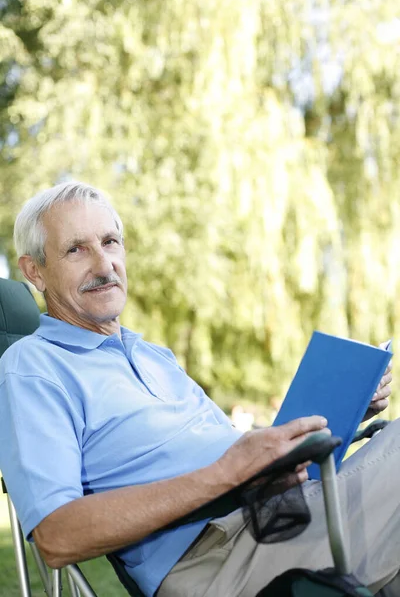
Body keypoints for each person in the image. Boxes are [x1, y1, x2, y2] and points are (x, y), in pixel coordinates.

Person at [0, 181, 397, 597]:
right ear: (34, 271)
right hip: (221, 557)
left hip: (282, 513)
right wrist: (227, 474)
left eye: (110, 242)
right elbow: (57, 535)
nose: (104, 265)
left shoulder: (155, 356)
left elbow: (235, 454)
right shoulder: (33, 366)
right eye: (76, 250)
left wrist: (341, 410)